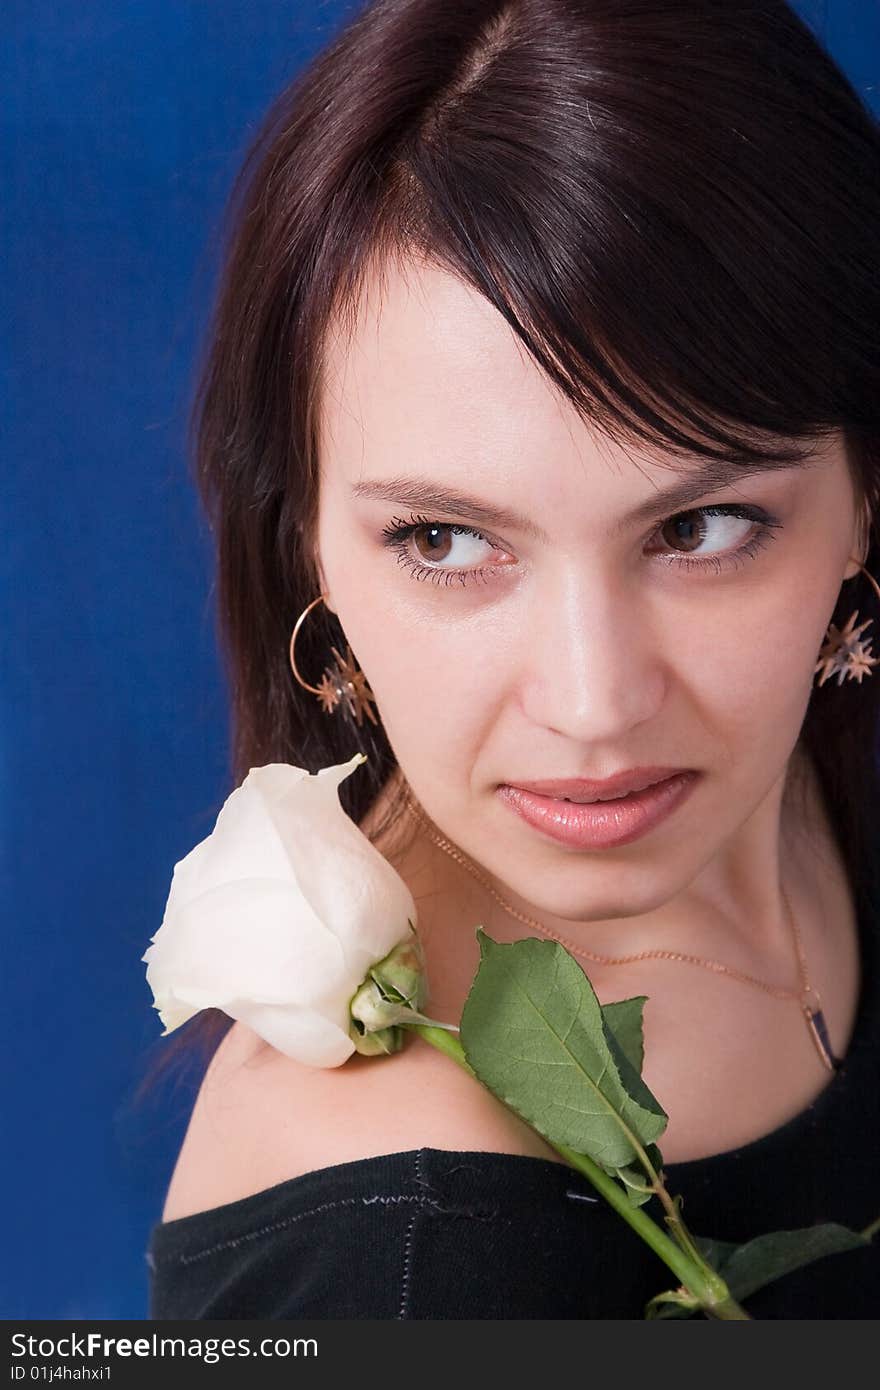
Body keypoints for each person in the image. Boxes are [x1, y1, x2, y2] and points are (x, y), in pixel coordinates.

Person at [144, 0, 880, 1317]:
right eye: (444, 538)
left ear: (865, 494)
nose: (595, 704)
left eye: (700, 529)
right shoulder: (413, 1258)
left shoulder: (832, 761)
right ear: (309, 540)